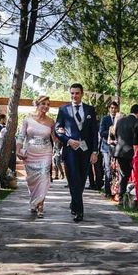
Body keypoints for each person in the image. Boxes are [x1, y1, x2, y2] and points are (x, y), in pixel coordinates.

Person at [55, 84, 98, 222]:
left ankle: (74, 202)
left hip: (86, 151)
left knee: (81, 179)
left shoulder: (90, 110)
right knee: (73, 179)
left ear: (82, 94)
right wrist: (68, 140)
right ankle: (79, 211)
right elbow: (57, 129)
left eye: (77, 93)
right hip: (70, 150)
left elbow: (94, 134)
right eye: (72, 93)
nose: (74, 96)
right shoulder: (63, 110)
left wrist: (95, 152)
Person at [16, 95, 55, 216]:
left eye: (48, 104)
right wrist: (18, 149)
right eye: (43, 104)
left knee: (43, 177)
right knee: (32, 181)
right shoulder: (28, 119)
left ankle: (40, 206)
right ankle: (34, 201)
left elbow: (55, 138)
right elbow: (21, 136)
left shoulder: (51, 121)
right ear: (37, 105)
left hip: (45, 153)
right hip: (30, 154)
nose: (46, 106)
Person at [113, 104, 138, 202]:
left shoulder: (120, 120)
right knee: (135, 174)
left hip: (120, 151)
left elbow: (116, 134)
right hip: (132, 152)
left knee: (123, 174)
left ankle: (121, 195)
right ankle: (132, 197)